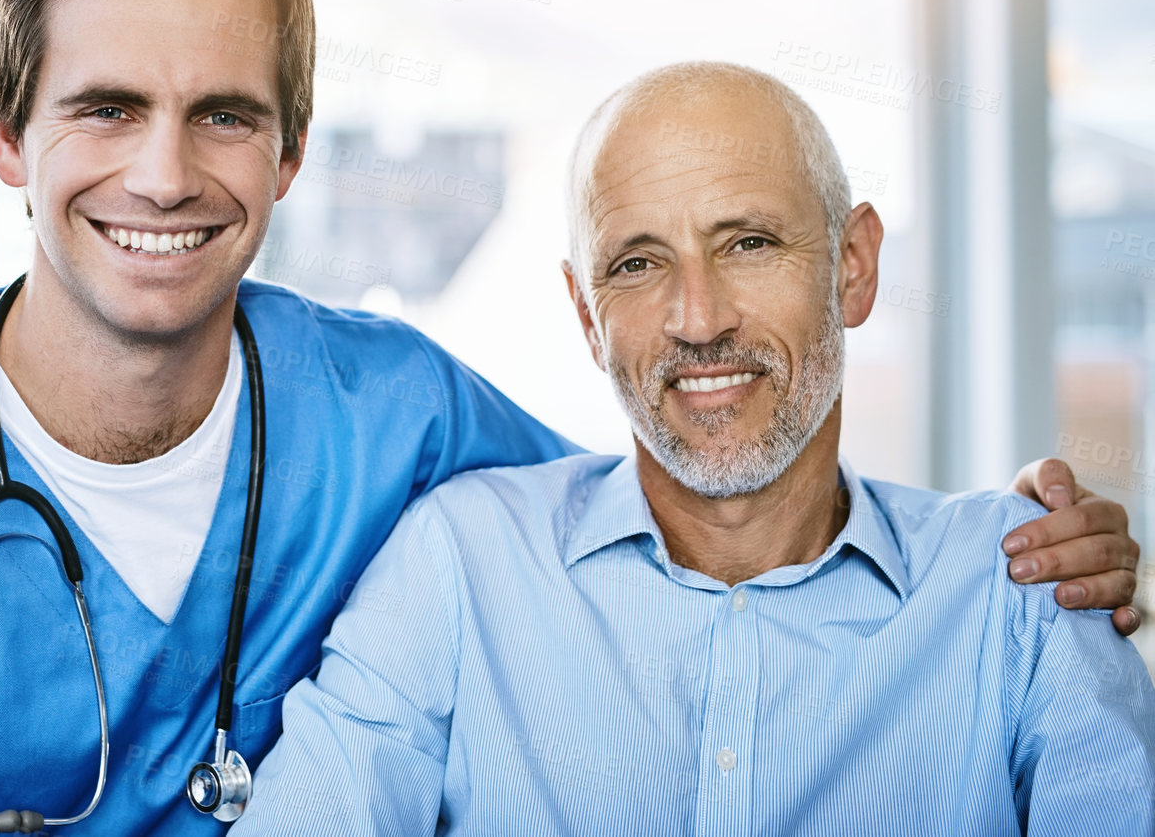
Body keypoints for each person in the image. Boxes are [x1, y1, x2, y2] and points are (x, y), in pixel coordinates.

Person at [0, 0, 1139, 837]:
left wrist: (1015, 545)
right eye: (105, 107)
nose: (163, 174)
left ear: (291, 152)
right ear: (6, 135)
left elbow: (708, 455)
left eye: (224, 116)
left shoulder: (396, 421)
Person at [233, 62, 1155, 836]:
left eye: (748, 243)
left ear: (853, 267)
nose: (698, 318)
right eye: (637, 263)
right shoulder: (460, 565)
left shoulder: (1022, 591)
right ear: (587, 316)